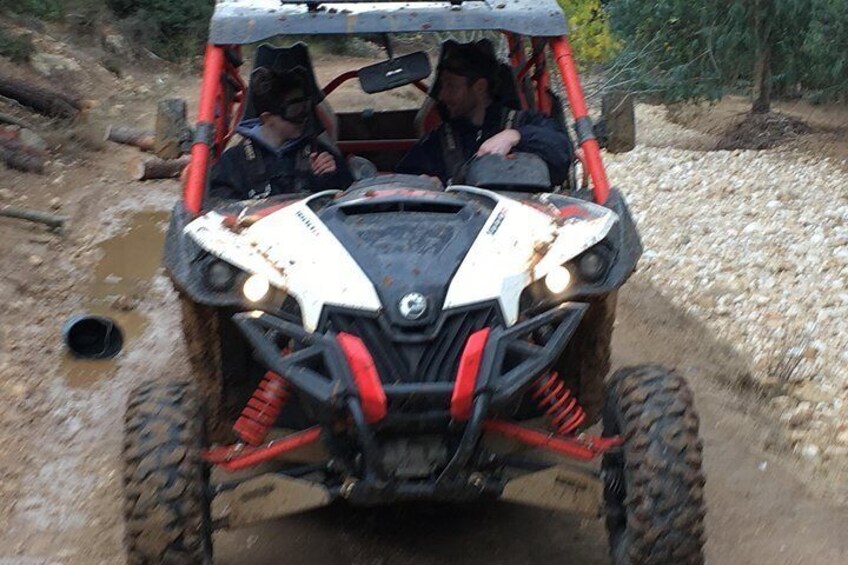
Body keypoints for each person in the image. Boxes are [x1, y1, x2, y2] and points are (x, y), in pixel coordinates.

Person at [396, 41, 573, 185]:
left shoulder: (524, 122)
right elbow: (403, 178)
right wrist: (421, 183)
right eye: (442, 86)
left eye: (451, 86)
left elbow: (562, 153)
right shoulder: (438, 141)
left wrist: (515, 135)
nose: (442, 95)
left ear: (479, 87)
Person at [209, 66, 353, 200]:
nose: (303, 118)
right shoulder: (233, 163)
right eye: (295, 111)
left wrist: (328, 177)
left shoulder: (319, 152)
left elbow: (348, 198)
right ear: (266, 118)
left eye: (305, 108)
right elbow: (221, 209)